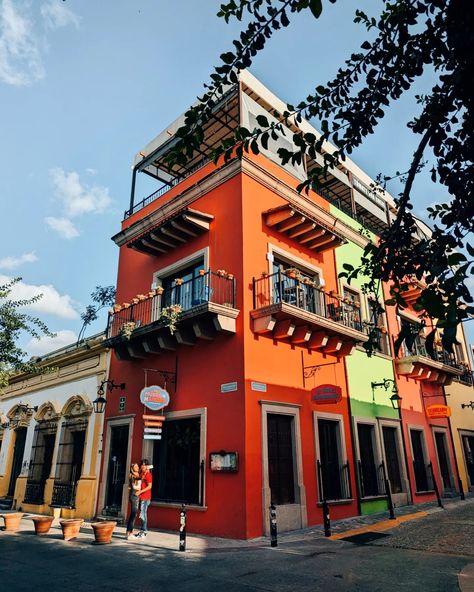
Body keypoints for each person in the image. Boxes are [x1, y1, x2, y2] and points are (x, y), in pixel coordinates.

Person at [134, 458, 153, 538]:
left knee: (143, 514)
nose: (143, 466)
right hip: (141, 497)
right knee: (142, 514)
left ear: (147, 466)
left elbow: (150, 486)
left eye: (144, 465)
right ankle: (142, 530)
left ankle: (144, 531)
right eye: (142, 465)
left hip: (146, 497)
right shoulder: (142, 474)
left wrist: (140, 492)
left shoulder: (148, 475)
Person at [126, 463, 141, 540]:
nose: (137, 467)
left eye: (137, 466)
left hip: (135, 496)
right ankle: (130, 534)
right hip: (134, 496)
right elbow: (135, 486)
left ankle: (128, 532)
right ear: (132, 468)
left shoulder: (137, 474)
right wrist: (140, 489)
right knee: (133, 515)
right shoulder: (133, 475)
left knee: (133, 515)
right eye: (135, 466)